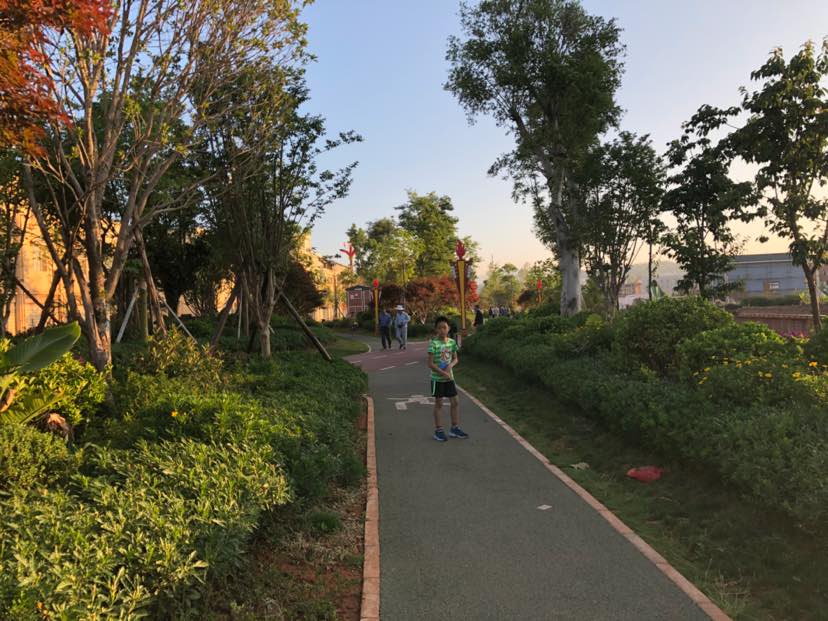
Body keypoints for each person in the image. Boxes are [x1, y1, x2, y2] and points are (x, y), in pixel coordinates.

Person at [427, 316, 468, 442]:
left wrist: (450, 366)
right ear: (436, 329)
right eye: (439, 328)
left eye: (444, 327)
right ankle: (438, 431)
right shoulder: (433, 344)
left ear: (449, 328)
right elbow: (430, 364)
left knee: (455, 402)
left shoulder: (451, 342)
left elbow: (455, 359)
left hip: (449, 378)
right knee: (439, 404)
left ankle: (454, 428)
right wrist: (442, 373)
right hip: (437, 379)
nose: (442, 330)